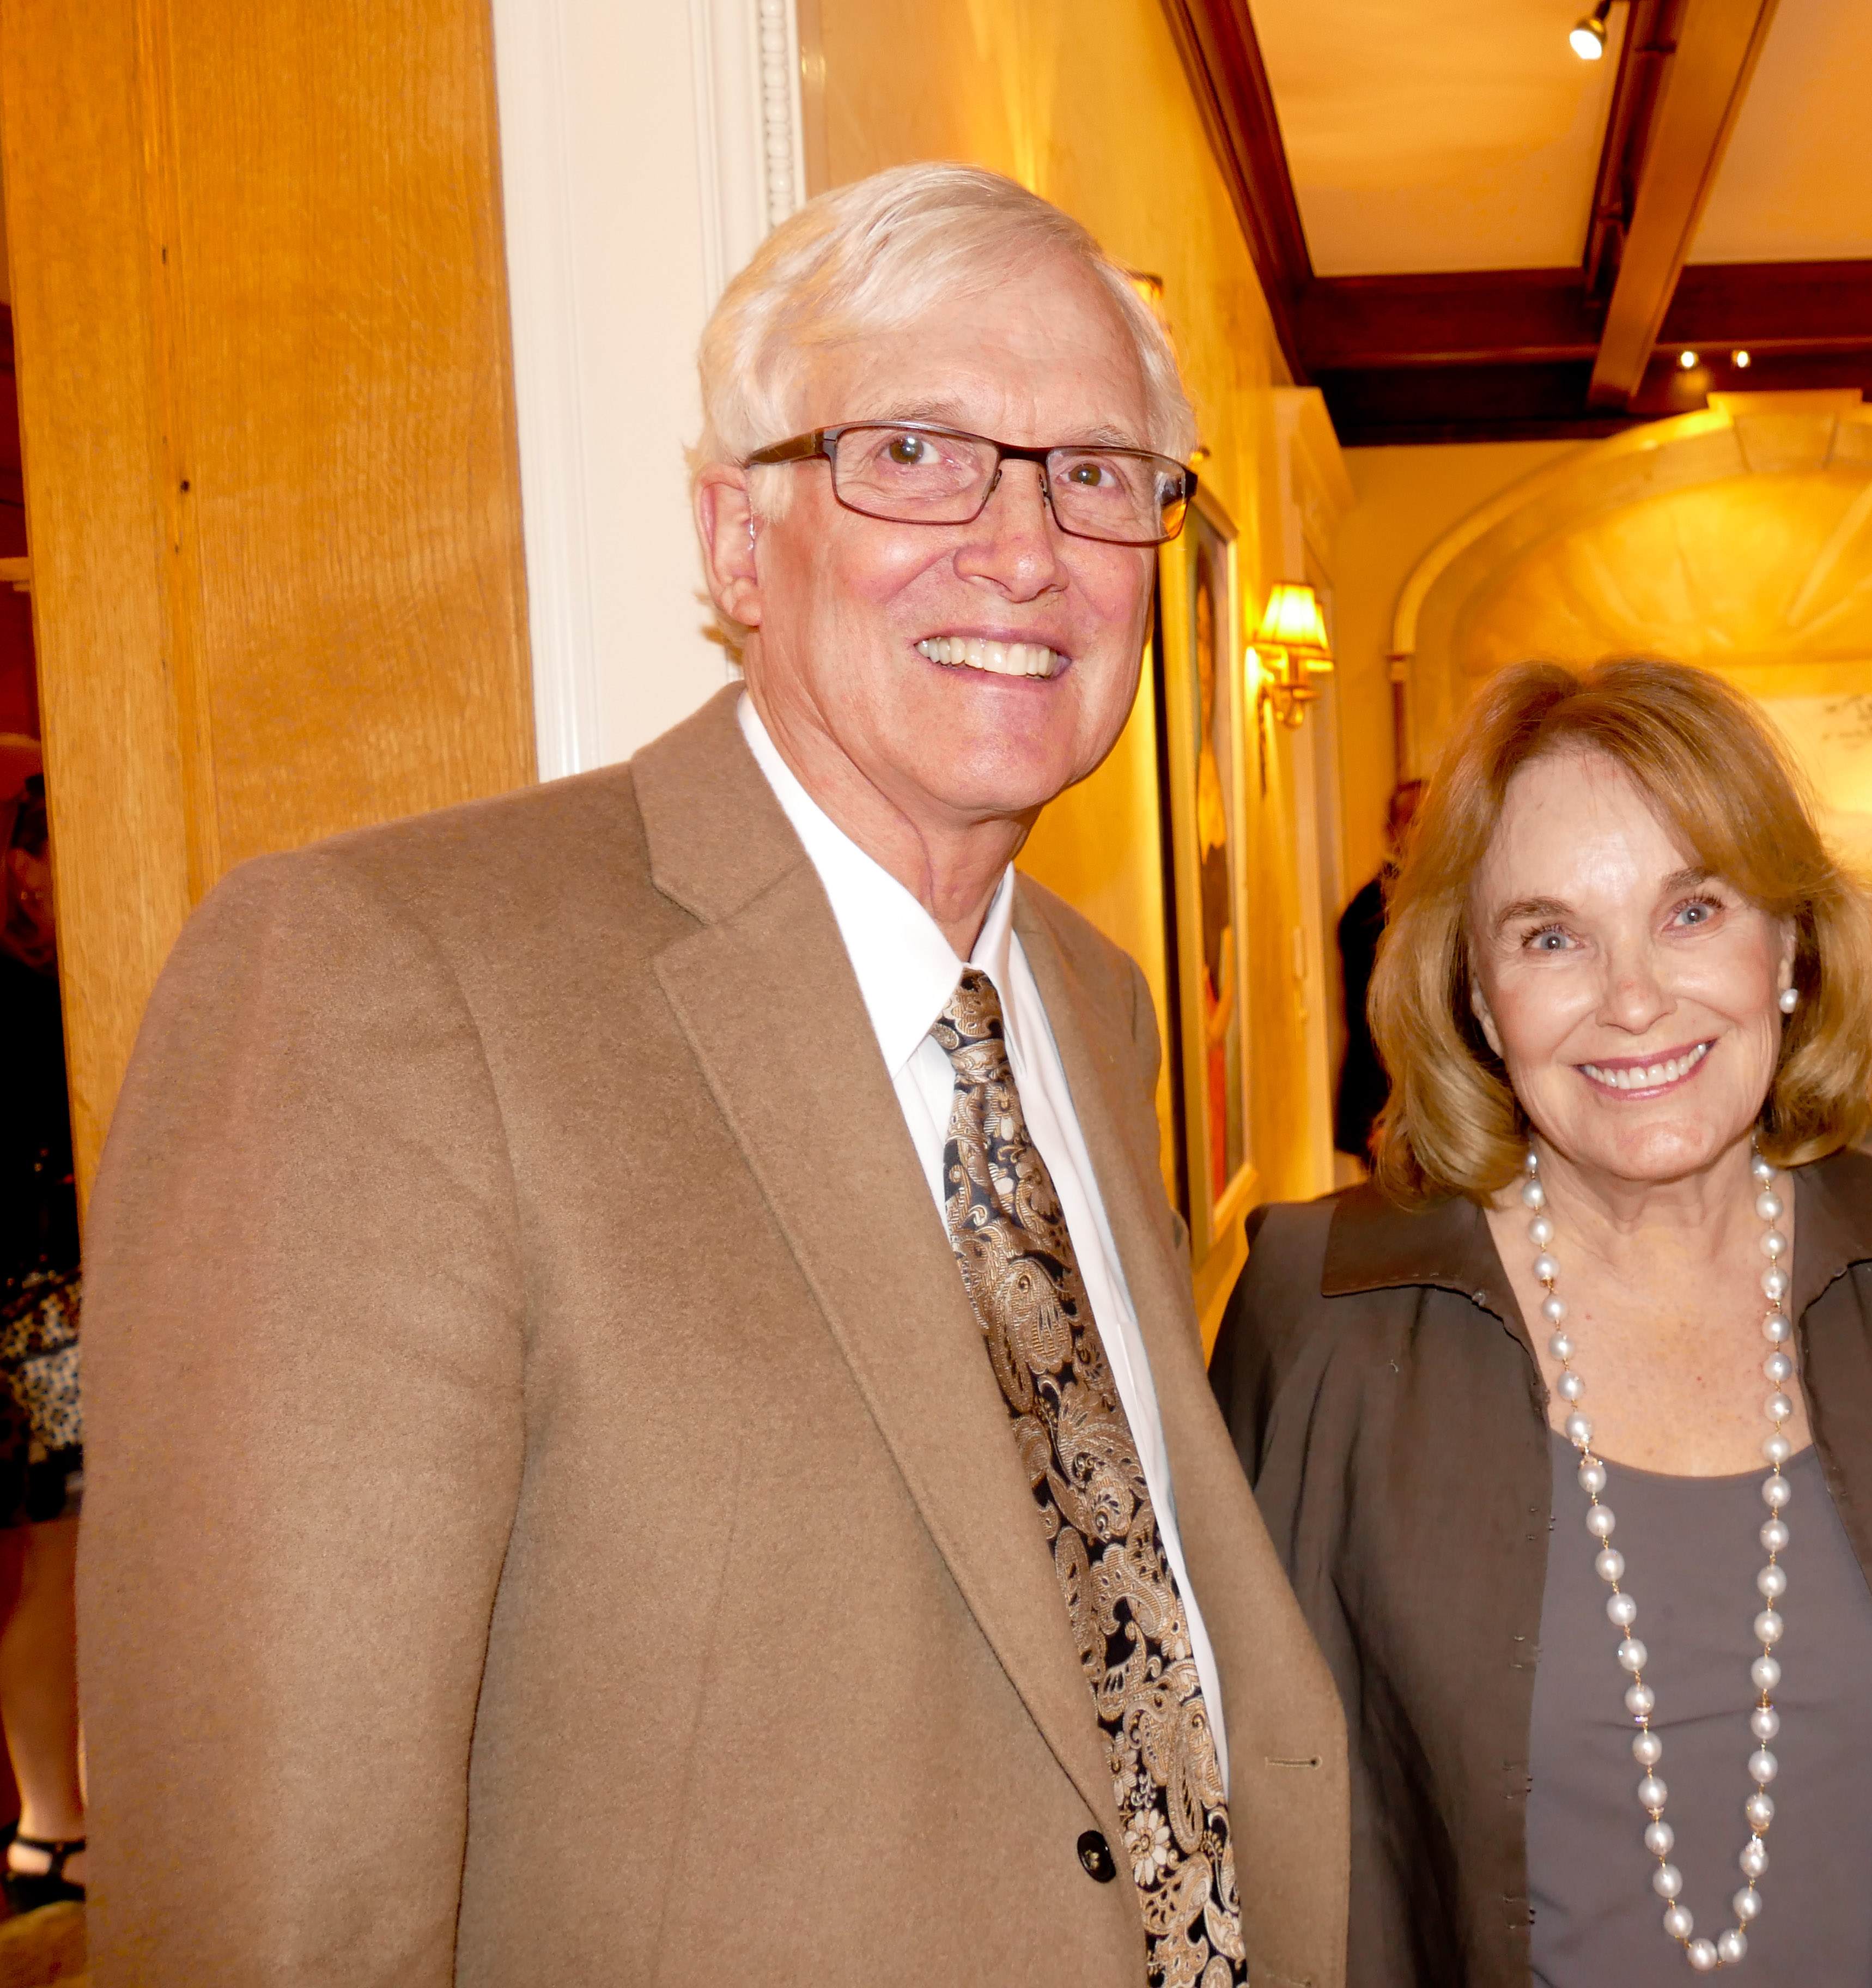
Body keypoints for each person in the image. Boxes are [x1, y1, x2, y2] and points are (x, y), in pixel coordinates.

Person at [80, 165, 1345, 1985]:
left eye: (1093, 472)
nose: (1024, 546)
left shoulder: (1092, 999)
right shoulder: (386, 978)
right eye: (913, 451)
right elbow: (280, 1897)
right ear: (735, 542)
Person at [1215, 659, 1872, 1988]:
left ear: (1790, 946)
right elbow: (1209, 1807)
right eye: (1548, 935)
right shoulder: (1327, 1320)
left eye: (1690, 909)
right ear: (1475, 994)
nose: (1631, 999)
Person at [0, 748, 84, 1916]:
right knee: (49, 1567)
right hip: (39, 1315)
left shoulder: (56, 974)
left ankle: (50, 1824)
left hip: (50, 1309)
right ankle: (51, 1823)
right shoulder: (27, 991)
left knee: (54, 1568)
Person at [1332, 778, 1424, 1162]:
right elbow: (1382, 1019)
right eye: (1415, 821)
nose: (1427, 833)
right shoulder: (1373, 909)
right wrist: (1388, 1113)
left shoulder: (1427, 896)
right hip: (1385, 1104)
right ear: (1392, 832)